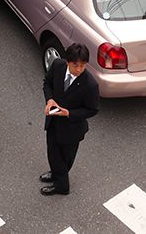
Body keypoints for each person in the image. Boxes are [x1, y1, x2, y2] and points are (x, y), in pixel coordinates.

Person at [40, 43, 99, 195]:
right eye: (75, 65)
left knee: (65, 158)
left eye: (83, 65)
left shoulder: (90, 85)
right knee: (52, 152)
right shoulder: (58, 66)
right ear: (67, 61)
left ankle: (62, 186)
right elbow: (47, 83)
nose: (79, 69)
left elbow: (92, 110)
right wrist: (50, 100)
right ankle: (56, 173)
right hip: (53, 121)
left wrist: (69, 113)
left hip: (72, 129)